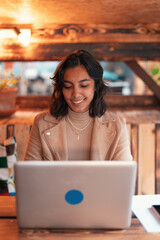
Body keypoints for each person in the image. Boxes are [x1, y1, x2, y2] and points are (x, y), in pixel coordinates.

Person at [24, 50, 132, 161]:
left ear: (95, 86)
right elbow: (29, 176)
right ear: (61, 88)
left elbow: (124, 176)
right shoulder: (41, 124)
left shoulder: (117, 125)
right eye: (67, 86)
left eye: (84, 85)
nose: (75, 94)